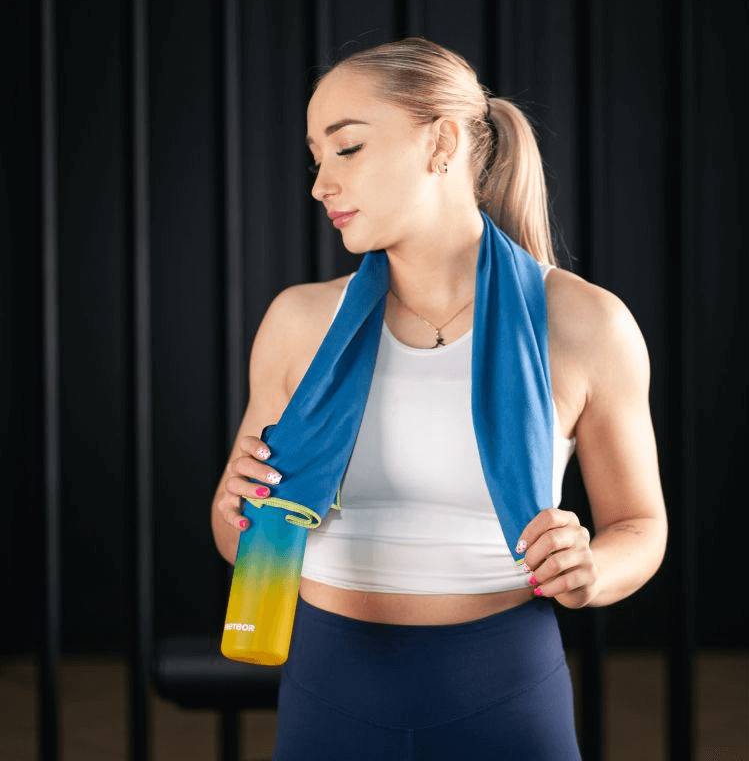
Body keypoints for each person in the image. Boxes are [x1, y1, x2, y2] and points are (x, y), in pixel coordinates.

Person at [211, 38, 667, 760]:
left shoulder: (586, 325)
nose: (319, 184)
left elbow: (640, 525)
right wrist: (234, 509)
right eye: (315, 157)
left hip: (506, 689)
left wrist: (591, 570)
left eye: (347, 149)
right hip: (327, 689)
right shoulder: (298, 323)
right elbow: (240, 540)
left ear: (442, 143)